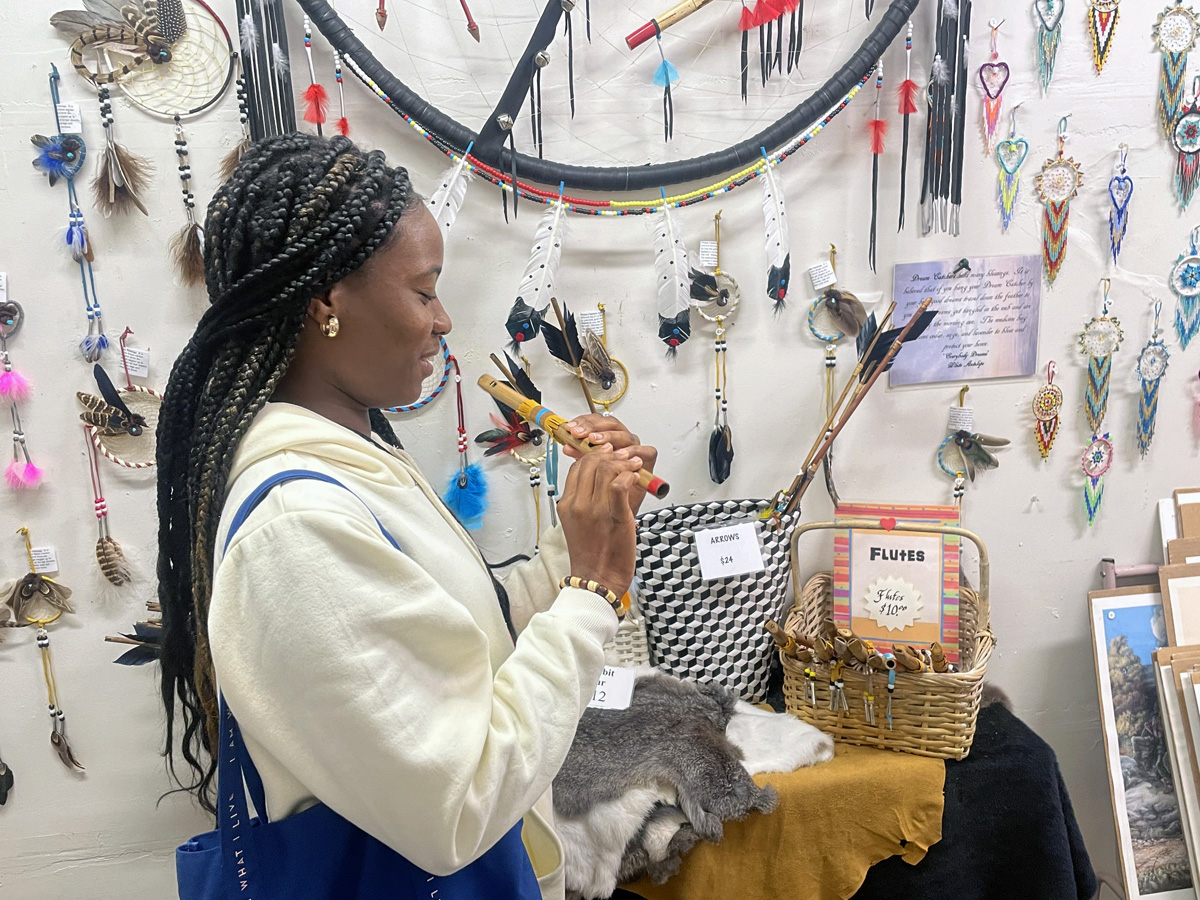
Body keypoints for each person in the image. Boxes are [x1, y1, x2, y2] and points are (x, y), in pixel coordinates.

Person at [156, 133, 658, 899]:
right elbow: (457, 807)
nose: (445, 320)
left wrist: (585, 537)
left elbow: (466, 634)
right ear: (325, 300)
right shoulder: (298, 526)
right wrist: (591, 592)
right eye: (424, 292)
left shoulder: (353, 462)